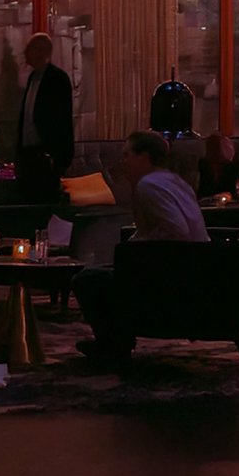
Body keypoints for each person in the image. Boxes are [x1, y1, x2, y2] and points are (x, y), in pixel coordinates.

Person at [73, 131, 209, 359]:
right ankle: (117, 341)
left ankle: (113, 344)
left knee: (86, 279)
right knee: (103, 272)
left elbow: (176, 230)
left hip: (173, 279)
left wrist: (134, 250)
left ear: (144, 157)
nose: (123, 161)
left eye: (127, 155)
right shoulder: (175, 181)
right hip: (194, 273)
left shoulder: (149, 185)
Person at [15, 32, 73, 203]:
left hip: (46, 155)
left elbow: (61, 121)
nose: (25, 53)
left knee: (45, 202)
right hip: (29, 154)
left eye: (29, 49)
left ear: (41, 51)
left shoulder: (58, 79)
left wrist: (58, 157)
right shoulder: (33, 78)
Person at [197, 132, 239, 199]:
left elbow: (237, 190)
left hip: (229, 204)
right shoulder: (203, 164)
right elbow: (201, 191)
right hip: (206, 204)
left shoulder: (234, 166)